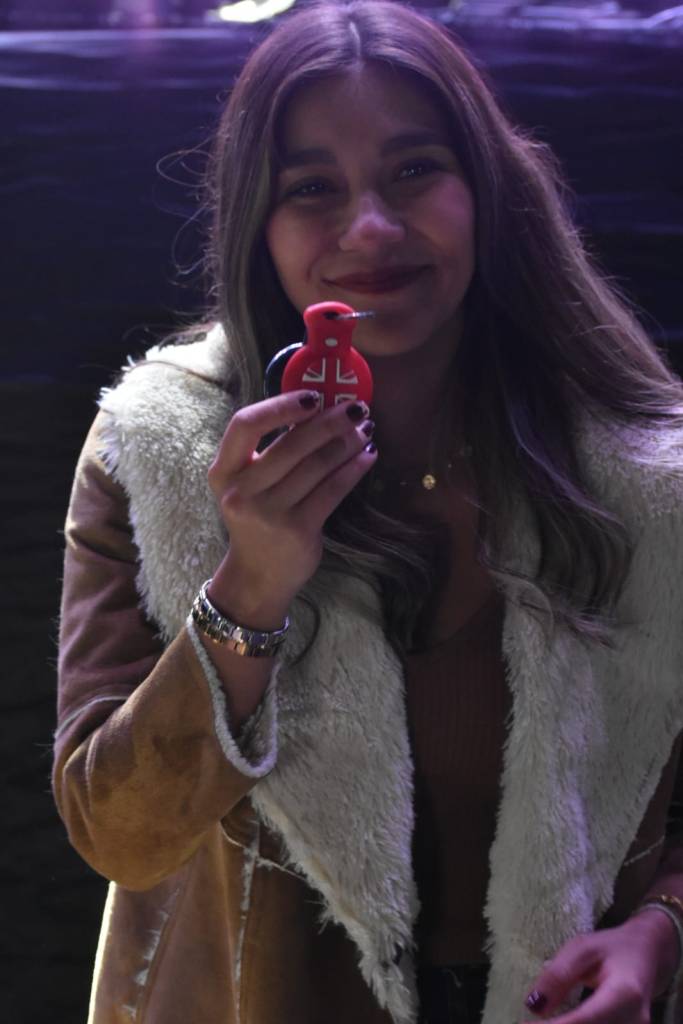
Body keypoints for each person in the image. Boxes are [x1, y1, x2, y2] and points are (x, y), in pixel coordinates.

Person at [53, 1, 683, 1022]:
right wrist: (249, 585)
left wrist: (661, 927)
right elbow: (120, 834)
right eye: (311, 188)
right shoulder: (158, 451)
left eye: (414, 170)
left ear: (487, 192)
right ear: (256, 225)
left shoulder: (648, 474)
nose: (371, 230)